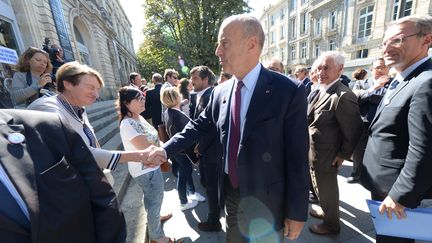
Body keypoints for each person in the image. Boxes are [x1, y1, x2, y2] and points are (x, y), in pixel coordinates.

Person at [147, 14, 309, 242]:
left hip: (267, 200)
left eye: (224, 43)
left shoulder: (289, 91)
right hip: (231, 193)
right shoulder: (220, 92)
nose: (217, 51)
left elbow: (298, 156)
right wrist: (165, 150)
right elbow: (198, 126)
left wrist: (297, 211)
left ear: (251, 44)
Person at [0, 108, 126, 242]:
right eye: (91, 87)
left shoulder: (47, 125)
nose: (95, 94)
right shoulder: (47, 105)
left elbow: (102, 197)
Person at [360, 15, 432, 243]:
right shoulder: (400, 79)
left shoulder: (426, 82)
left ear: (426, 40)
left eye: (398, 40)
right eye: (384, 42)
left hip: (397, 195)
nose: (387, 48)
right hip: (384, 188)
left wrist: (401, 196)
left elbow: (424, 149)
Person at [27, 62, 160, 181]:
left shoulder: (78, 108)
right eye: (91, 87)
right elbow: (78, 152)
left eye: (98, 90)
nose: (96, 95)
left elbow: (90, 140)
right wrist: (138, 156)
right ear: (67, 83)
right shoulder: (47, 109)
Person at [307, 51, 363, 235]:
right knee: (318, 186)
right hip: (314, 151)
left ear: (340, 69)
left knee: (327, 188)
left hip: (328, 155)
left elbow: (353, 130)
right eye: (319, 67)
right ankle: (325, 211)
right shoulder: (322, 89)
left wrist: (343, 155)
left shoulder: (343, 95)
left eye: (326, 67)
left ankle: (332, 225)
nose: (321, 71)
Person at [117, 87, 173, 243]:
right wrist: (163, 152)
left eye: (143, 97)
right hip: (146, 170)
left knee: (153, 199)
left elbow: (153, 140)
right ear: (127, 103)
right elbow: (146, 149)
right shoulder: (128, 123)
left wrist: (163, 149)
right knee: (155, 199)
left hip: (151, 167)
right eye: (139, 99)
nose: (143, 101)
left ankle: (155, 218)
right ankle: (156, 237)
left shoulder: (138, 118)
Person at [189, 65, 222, 232]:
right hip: (207, 150)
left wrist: (200, 147)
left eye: (195, 78)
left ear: (205, 79)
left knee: (212, 188)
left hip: (212, 152)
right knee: (213, 187)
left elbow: (212, 128)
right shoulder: (201, 96)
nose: (191, 81)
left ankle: (214, 220)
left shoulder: (211, 96)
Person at [161, 87, 205, 211]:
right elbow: (187, 136)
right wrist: (194, 153)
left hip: (177, 150)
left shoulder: (168, 112)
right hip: (182, 151)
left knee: (186, 173)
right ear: (177, 97)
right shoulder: (177, 114)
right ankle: (183, 201)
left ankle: (191, 193)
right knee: (184, 175)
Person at [348, 58, 390, 184]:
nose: (381, 70)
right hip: (362, 122)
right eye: (378, 67)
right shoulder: (361, 83)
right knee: (358, 150)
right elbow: (355, 98)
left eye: (384, 67)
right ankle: (356, 172)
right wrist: (373, 89)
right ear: (371, 70)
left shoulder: (394, 83)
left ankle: (373, 175)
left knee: (378, 150)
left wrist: (367, 97)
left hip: (382, 122)